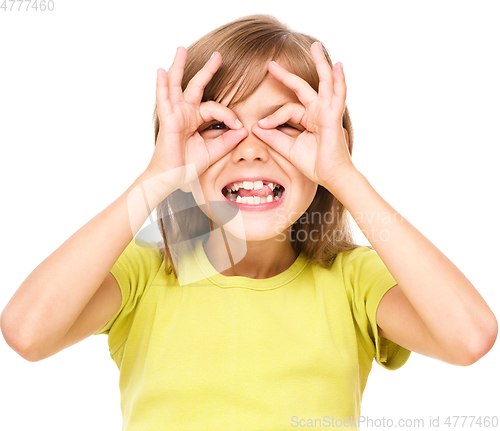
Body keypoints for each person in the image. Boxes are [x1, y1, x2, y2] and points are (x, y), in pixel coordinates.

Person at [1, 14, 497, 431]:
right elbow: (27, 333)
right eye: (218, 125)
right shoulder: (149, 273)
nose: (253, 149)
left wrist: (344, 176)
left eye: (284, 125)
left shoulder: (351, 281)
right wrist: (157, 178)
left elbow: (470, 338)